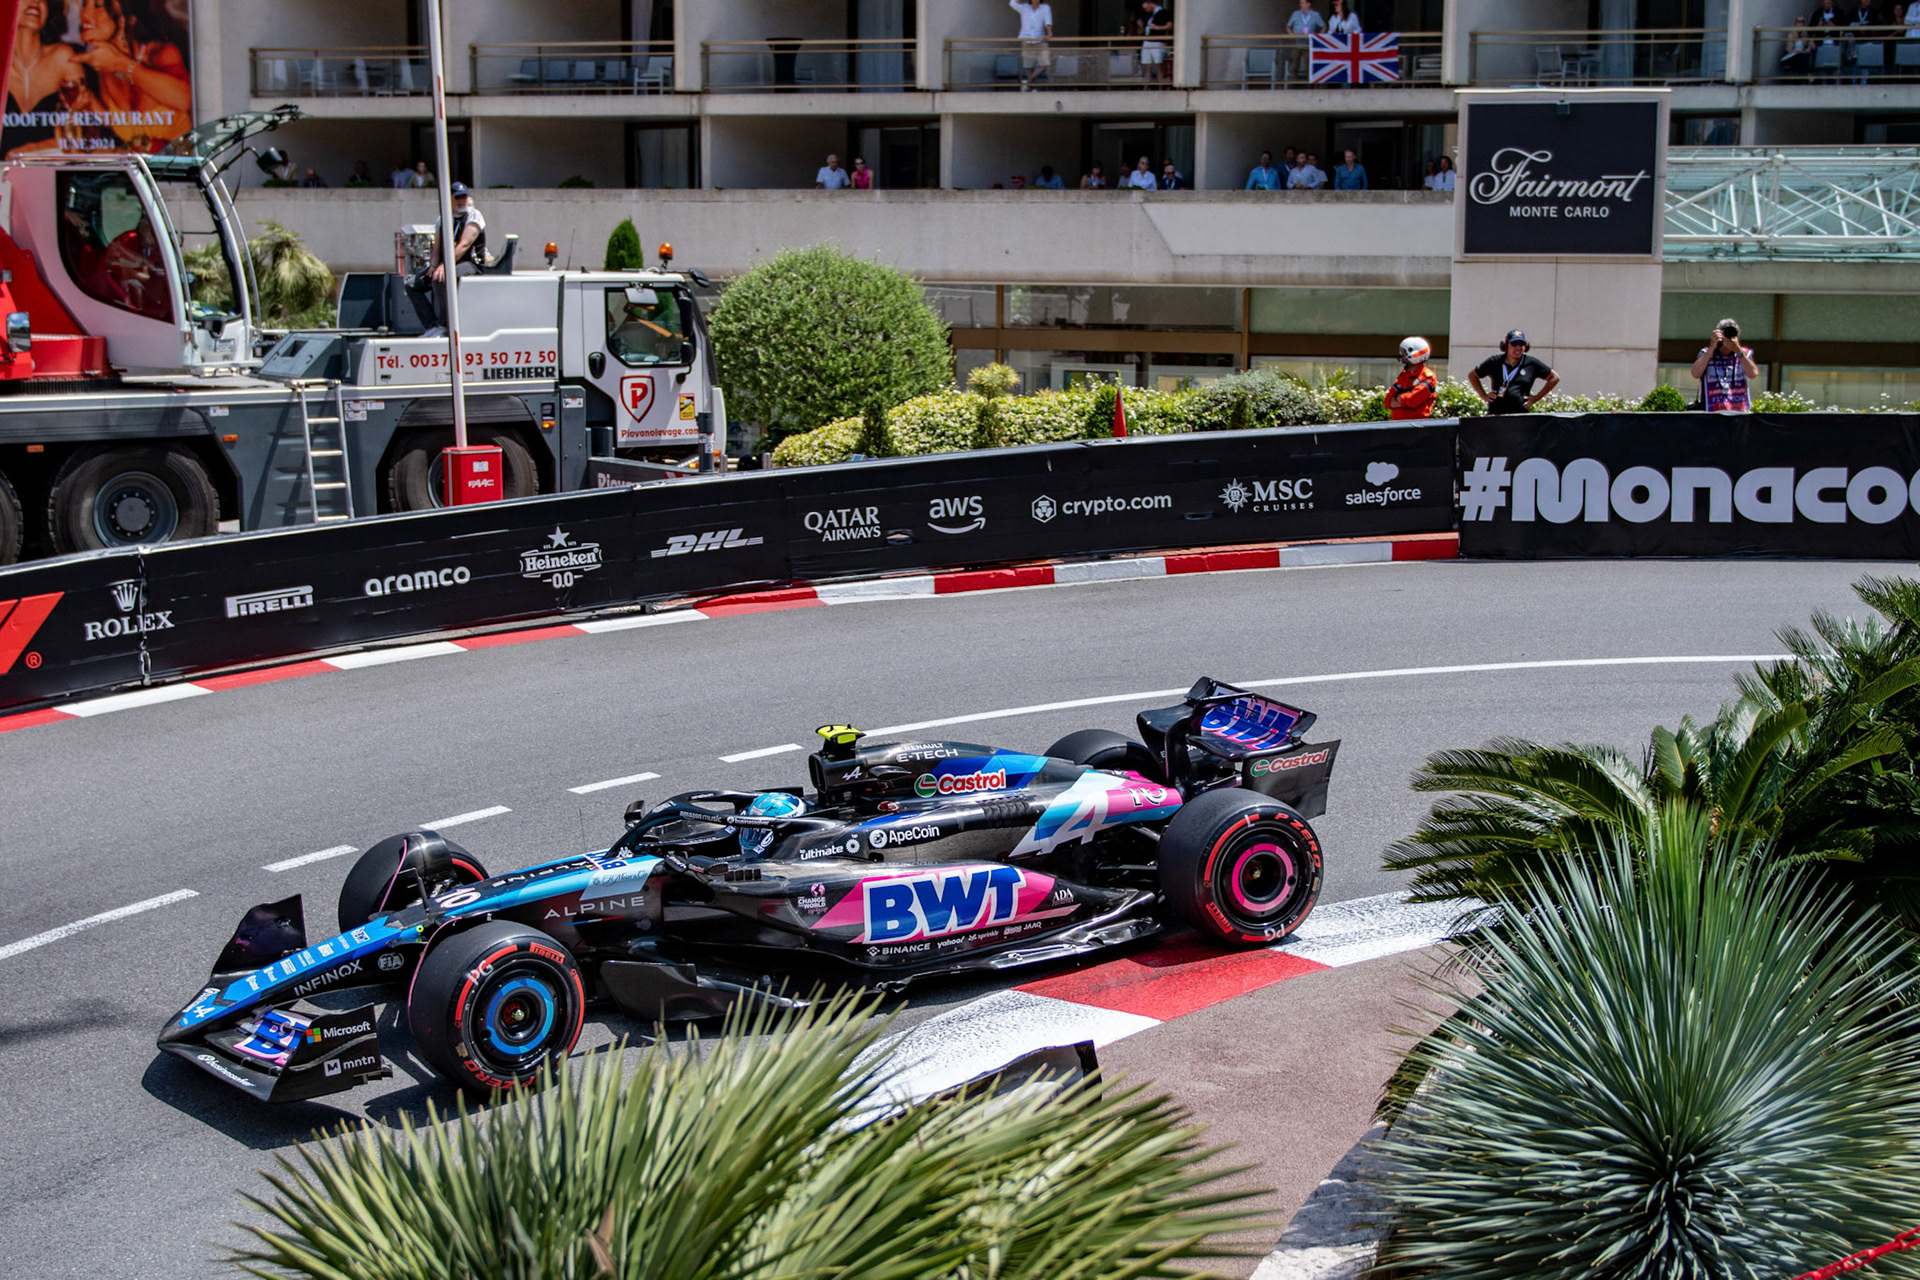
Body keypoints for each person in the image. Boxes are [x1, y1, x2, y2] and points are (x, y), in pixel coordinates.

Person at [73, 0, 191, 151]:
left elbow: (185, 100)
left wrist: (120, 64)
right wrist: (91, 103)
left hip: (180, 169)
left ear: (128, 19)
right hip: (140, 171)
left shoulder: (160, 55)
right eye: (84, 6)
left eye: (98, 6)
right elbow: (127, 124)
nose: (84, 14)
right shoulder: (105, 68)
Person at [5, 0, 88, 158]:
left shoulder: (63, 58)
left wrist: (27, 152)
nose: (36, 2)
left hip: (54, 173)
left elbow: (82, 137)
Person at [410, 181, 486, 333]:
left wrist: (445, 266)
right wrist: (432, 266)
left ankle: (444, 324)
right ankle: (431, 326)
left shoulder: (474, 215)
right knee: (412, 285)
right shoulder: (443, 218)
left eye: (464, 196)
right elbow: (437, 248)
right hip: (448, 263)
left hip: (471, 264)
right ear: (449, 199)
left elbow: (464, 245)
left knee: (441, 278)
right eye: (457, 197)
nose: (461, 200)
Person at [1470, 329, 1559, 414]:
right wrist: (1483, 395)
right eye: (1514, 344)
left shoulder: (1531, 363)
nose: (1518, 348)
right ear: (1506, 346)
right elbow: (1472, 375)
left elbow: (1554, 377)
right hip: (1496, 415)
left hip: (1520, 417)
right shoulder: (1495, 361)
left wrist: (1536, 398)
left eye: (1521, 345)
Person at [1690, 318, 1761, 412]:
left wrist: (1738, 350)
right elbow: (1695, 374)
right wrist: (1712, 347)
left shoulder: (1744, 354)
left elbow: (1753, 373)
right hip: (1712, 412)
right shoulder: (1706, 353)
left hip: (1739, 413)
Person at [1386, 336, 1437, 420]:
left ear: (1414, 354)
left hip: (1416, 426)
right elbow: (1388, 400)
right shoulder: (1404, 375)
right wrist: (1400, 400)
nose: (1401, 356)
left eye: (1404, 353)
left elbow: (1412, 400)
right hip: (1397, 425)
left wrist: (1398, 398)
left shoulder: (1428, 377)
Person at [1010, 0, 1053, 89]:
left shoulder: (1045, 8)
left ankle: (1028, 83)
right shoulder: (1024, 7)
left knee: (1044, 64)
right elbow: (1012, 3)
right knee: (1029, 66)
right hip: (1026, 40)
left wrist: (1049, 33)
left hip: (1040, 40)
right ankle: (1030, 88)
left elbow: (1048, 22)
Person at [1287, 0, 1327, 81]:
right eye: (1300, 3)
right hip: (1296, 44)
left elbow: (1324, 27)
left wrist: (1318, 38)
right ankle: (1292, 86)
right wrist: (1290, 34)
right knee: (1294, 66)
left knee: (1309, 67)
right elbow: (1288, 26)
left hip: (1308, 45)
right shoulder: (1296, 14)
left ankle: (1310, 87)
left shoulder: (1315, 15)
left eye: (1302, 3)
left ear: (1308, 4)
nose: (1300, 4)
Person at [1141, 1, 1173, 86]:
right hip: (1147, 41)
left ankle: (1161, 84)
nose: (1146, 10)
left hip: (1157, 42)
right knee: (1147, 65)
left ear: (1150, 3)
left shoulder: (1164, 12)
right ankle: (1146, 86)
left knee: (1158, 65)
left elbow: (1170, 25)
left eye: (1146, 8)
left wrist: (1157, 27)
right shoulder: (1150, 15)